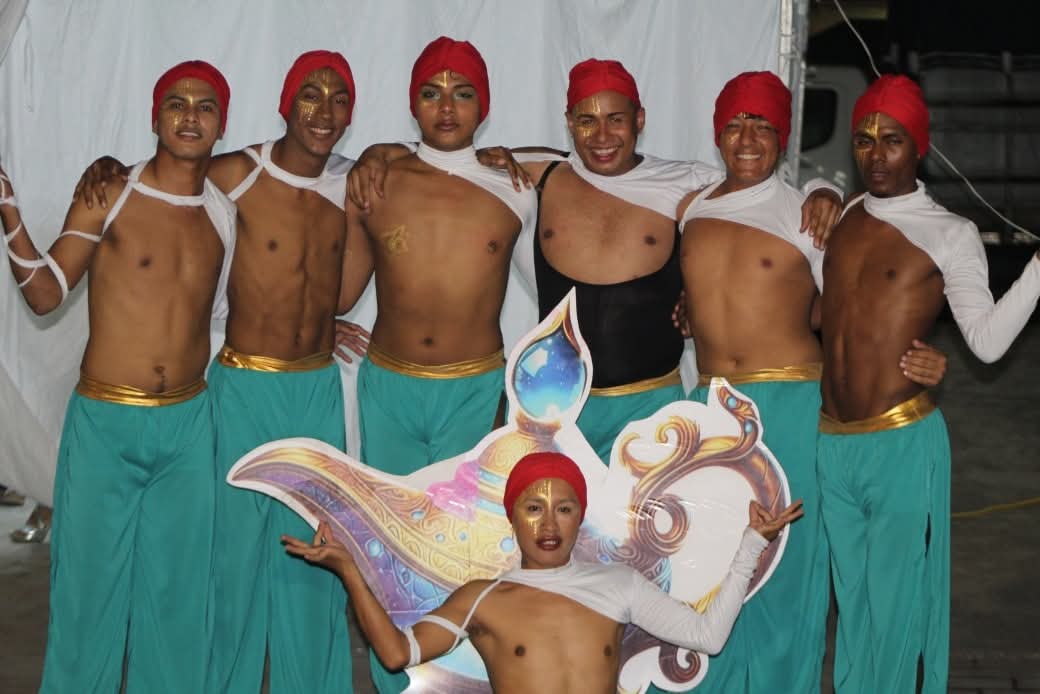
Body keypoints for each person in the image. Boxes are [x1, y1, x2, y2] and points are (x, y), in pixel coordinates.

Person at [347, 58, 844, 465]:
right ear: (569, 124)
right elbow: (447, 152)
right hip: (562, 410)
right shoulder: (536, 175)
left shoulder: (686, 184)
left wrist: (824, 191)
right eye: (586, 120)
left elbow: (759, 194)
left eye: (616, 119)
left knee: (650, 544)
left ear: (640, 120)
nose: (601, 135)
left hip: (653, 406)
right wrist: (380, 151)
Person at [75, 50, 367, 693]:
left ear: (352, 113)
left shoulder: (355, 182)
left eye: (339, 98)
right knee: (229, 560)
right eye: (310, 94)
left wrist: (326, 318)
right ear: (285, 105)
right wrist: (107, 167)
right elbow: (164, 174)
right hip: (242, 387)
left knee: (314, 553)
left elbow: (335, 281)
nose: (323, 110)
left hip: (316, 389)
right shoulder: (236, 173)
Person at [675, 71, 948, 694]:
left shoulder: (811, 216)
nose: (747, 139)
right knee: (710, 565)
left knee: (788, 571)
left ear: (783, 136)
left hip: (791, 405)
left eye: (763, 126)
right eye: (735, 125)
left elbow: (858, 309)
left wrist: (928, 358)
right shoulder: (691, 207)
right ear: (717, 134)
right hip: (712, 408)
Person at [0, 61, 235, 692]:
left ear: (223, 123)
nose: (191, 116)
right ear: (155, 117)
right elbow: (46, 293)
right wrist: (9, 210)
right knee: (87, 597)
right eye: (177, 104)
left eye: (206, 106)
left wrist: (328, 326)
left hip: (188, 428)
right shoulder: (111, 191)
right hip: (106, 423)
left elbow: (219, 315)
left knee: (178, 597)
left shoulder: (223, 214)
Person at [818, 74, 1040, 694]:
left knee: (894, 607)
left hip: (898, 442)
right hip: (830, 442)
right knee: (852, 604)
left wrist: (1038, 270)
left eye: (892, 140)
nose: (876, 155)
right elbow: (823, 312)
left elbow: (987, 342)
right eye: (864, 140)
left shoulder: (949, 232)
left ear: (919, 146)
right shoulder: (846, 213)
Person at [339, 37, 538, 691]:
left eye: (463, 93)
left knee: (464, 549)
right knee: (393, 546)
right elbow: (341, 292)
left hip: (472, 389)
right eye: (432, 93)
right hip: (389, 387)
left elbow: (561, 279)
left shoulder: (516, 186)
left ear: (484, 105)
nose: (447, 107)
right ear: (412, 104)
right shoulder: (377, 181)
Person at [282, 451, 804, 694]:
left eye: (564, 509)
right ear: (512, 516)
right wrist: (348, 569)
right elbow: (398, 654)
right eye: (534, 508)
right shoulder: (483, 597)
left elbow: (708, 637)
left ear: (580, 517)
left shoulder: (617, 584)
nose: (549, 524)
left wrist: (751, 544)